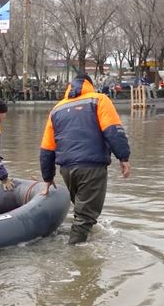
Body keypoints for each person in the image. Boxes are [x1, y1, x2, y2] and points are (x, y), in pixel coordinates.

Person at [40, 74, 131, 245]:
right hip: (91, 167)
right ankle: (76, 255)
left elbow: (47, 147)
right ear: (89, 84)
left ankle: (81, 239)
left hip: (67, 170)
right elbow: (113, 131)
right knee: (84, 216)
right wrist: (123, 157)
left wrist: (47, 177)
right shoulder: (99, 100)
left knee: (82, 210)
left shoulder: (57, 109)